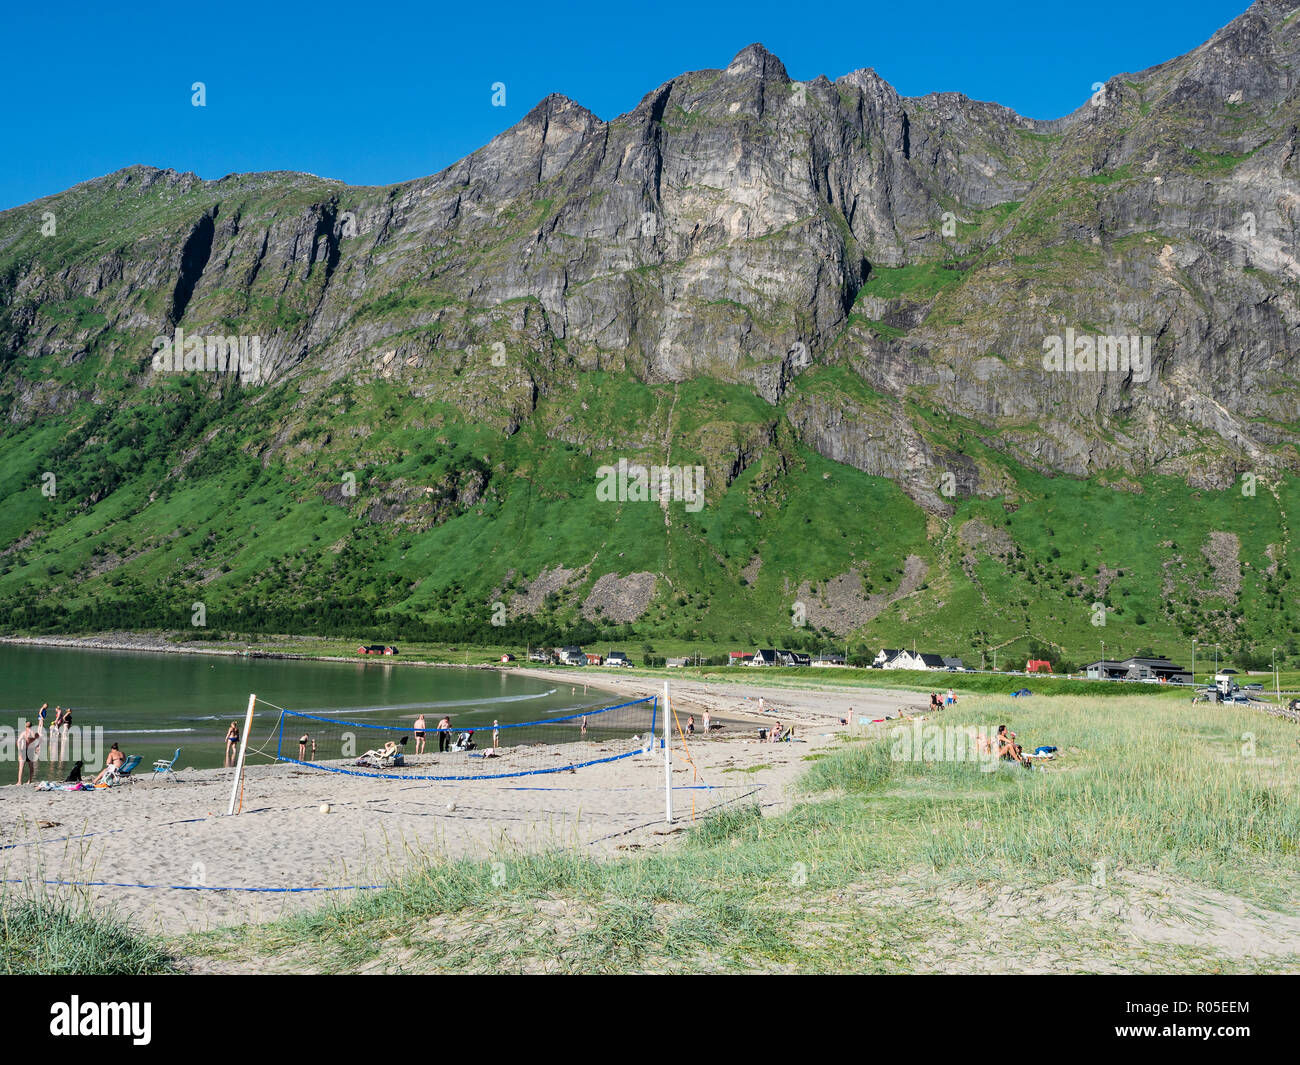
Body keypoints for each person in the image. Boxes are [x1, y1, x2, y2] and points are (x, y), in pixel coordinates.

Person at [16, 720, 39, 784]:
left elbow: (18, 741)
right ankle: (29, 781)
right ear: (31, 726)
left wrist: (19, 750)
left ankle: (19, 782)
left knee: (21, 767)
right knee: (31, 767)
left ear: (25, 726)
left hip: (23, 750)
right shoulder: (34, 733)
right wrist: (37, 747)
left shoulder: (24, 733)